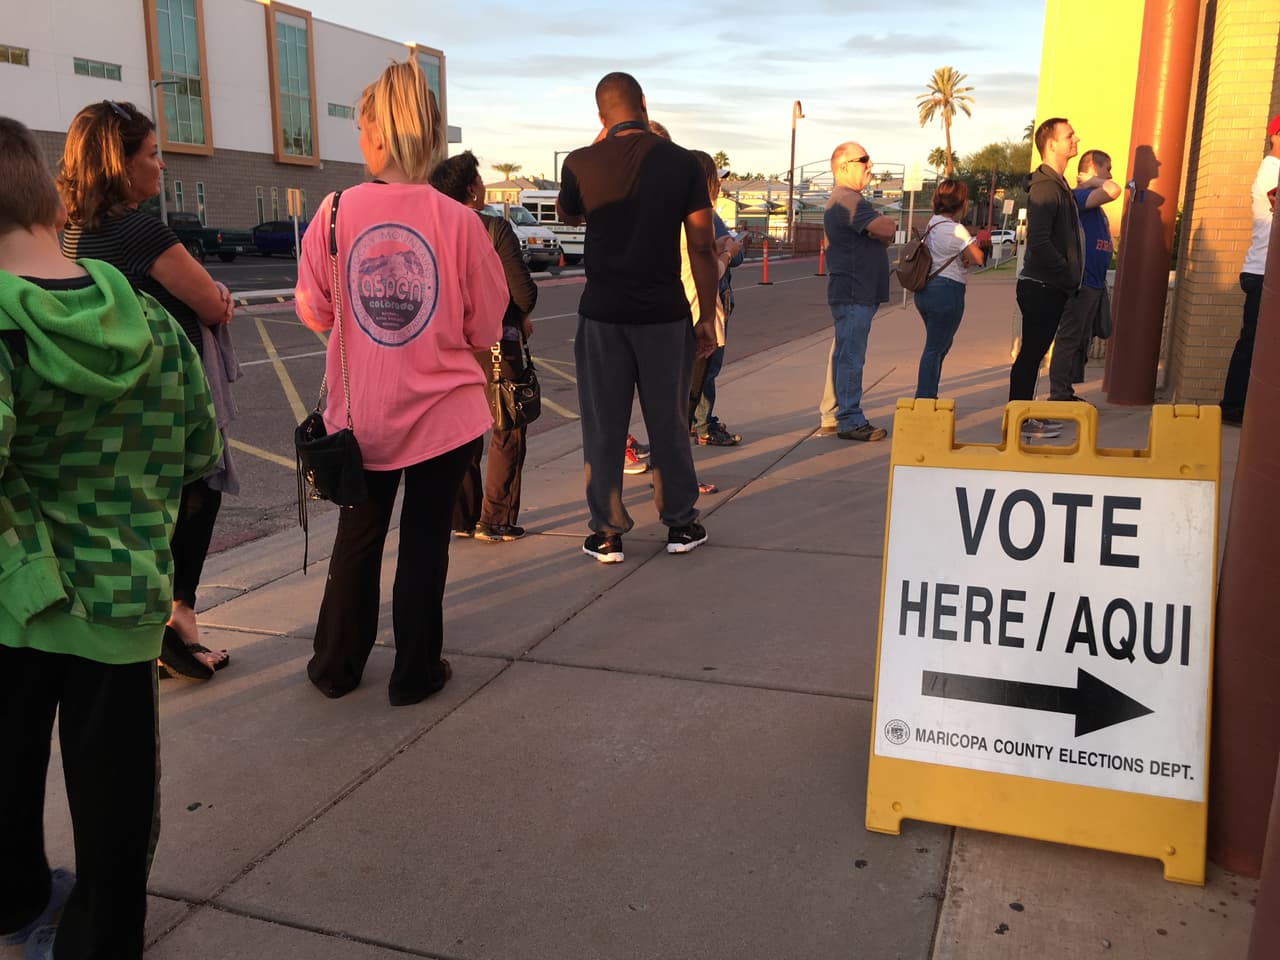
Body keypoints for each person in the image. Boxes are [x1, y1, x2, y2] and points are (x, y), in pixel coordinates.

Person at [0, 116, 220, 960]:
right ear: (54, 210)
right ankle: (101, 937)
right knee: (116, 793)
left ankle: (16, 896)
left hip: (17, 600)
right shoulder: (152, 321)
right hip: (124, 597)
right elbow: (199, 450)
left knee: (8, 767)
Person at [295, 60, 506, 704]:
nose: (359, 140)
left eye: (363, 128)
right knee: (424, 543)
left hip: (364, 416)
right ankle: (415, 672)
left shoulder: (334, 213)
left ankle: (336, 665)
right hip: (444, 414)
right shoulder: (462, 223)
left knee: (358, 540)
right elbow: (485, 325)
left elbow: (315, 309)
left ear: (382, 135)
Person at [58, 99, 235, 681]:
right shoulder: (138, 229)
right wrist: (222, 299)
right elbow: (210, 303)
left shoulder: (68, 234)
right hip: (164, 398)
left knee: (136, 512)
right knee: (195, 495)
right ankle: (176, 622)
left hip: (105, 399)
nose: (161, 166)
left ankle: (150, 630)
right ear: (120, 162)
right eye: (153, 154)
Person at [557, 72, 719, 563]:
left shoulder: (580, 162)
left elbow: (568, 214)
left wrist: (595, 149)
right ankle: (680, 523)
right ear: (644, 103)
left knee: (603, 425)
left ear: (600, 115)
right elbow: (702, 245)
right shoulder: (682, 163)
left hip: (602, 315)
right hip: (664, 316)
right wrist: (705, 316)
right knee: (668, 421)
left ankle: (607, 533)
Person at [431, 151, 538, 542]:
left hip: (447, 344)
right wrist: (520, 314)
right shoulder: (493, 228)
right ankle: (495, 518)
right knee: (507, 424)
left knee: (462, 427)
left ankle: (462, 515)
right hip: (494, 340)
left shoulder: (432, 230)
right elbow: (523, 292)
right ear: (472, 188)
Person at [1011, 117, 1083, 439]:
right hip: (1042, 286)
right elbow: (1038, 242)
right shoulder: (1046, 187)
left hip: (1049, 286)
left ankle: (1025, 416)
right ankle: (1020, 421)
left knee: (1033, 355)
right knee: (1030, 356)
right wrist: (1066, 270)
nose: (1076, 139)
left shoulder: (1057, 184)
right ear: (1051, 144)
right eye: (1069, 136)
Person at [823, 140, 895, 441]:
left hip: (853, 290)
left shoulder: (847, 200)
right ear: (843, 166)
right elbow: (887, 229)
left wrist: (881, 228)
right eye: (864, 159)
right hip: (855, 291)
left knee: (843, 354)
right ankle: (850, 420)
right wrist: (883, 226)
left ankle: (833, 414)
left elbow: (883, 233)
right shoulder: (847, 199)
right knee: (851, 356)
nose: (870, 165)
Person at [1220, 114, 1280, 425]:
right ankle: (1233, 407)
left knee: (1255, 342)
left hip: (1264, 271)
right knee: (1253, 342)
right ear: (1275, 136)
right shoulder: (1272, 170)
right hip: (1263, 273)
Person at [1048, 149, 1120, 402]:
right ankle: (1059, 395)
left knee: (1081, 340)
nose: (1110, 174)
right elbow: (1114, 190)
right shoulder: (1078, 197)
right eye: (1107, 168)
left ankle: (1066, 391)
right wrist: (1092, 181)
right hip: (1082, 284)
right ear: (1092, 168)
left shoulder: (1093, 204)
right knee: (1069, 339)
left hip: (1095, 284)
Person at [912, 179, 984, 399]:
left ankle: (929, 395)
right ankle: (924, 399)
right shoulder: (957, 230)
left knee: (938, 346)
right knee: (935, 348)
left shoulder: (932, 224)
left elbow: (944, 254)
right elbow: (978, 258)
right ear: (962, 203)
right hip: (947, 291)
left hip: (925, 291)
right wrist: (973, 247)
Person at [692, 166, 745, 446]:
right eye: (716, 180)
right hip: (705, 303)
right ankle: (702, 425)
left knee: (699, 370)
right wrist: (728, 251)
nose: (720, 187)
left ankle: (696, 422)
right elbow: (712, 267)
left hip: (698, 302)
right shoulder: (704, 215)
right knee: (705, 367)